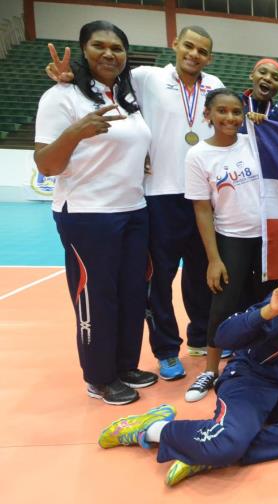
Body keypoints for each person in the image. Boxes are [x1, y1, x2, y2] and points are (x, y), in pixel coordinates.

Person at [46, 25, 226, 381]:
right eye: (188, 46)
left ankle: (201, 337)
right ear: (174, 44)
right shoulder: (146, 77)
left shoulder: (215, 84)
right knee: (159, 278)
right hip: (160, 193)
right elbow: (103, 76)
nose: (194, 54)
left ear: (210, 57)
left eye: (202, 51)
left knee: (203, 273)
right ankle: (165, 350)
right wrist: (69, 77)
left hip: (204, 195)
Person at [95, 248, 278, 486]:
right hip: (252, 381)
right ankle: (151, 429)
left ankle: (210, 449)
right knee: (225, 444)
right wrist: (266, 313)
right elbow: (223, 336)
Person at [35, 20, 155, 405]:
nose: (109, 54)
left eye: (117, 48)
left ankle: (123, 365)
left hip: (133, 209)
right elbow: (47, 165)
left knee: (132, 293)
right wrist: (75, 132)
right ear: (84, 50)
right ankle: (99, 377)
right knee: (96, 296)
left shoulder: (125, 94)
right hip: (87, 214)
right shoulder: (61, 96)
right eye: (99, 46)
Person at [182, 88, 268, 402]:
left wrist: (261, 122)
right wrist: (214, 259)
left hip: (265, 238)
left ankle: (260, 363)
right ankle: (209, 370)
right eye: (222, 111)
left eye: (236, 112)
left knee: (264, 304)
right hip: (231, 237)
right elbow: (202, 209)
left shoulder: (254, 142)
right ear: (209, 115)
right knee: (222, 305)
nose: (230, 118)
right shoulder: (198, 155)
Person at [240, 57, 278, 132]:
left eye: (276, 78)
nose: (267, 78)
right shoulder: (235, 105)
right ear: (252, 75)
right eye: (262, 72)